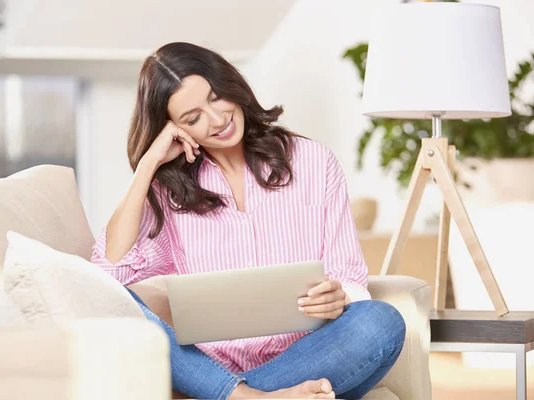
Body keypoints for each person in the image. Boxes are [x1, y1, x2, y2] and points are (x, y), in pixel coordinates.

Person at [90, 42, 405, 400]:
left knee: (380, 323)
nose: (217, 119)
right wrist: (148, 165)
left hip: (312, 354)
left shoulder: (314, 162)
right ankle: (244, 396)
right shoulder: (170, 191)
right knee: (120, 305)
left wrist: (339, 296)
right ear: (173, 129)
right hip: (213, 373)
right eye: (193, 118)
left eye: (216, 97)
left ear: (231, 84)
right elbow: (105, 277)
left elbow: (348, 274)